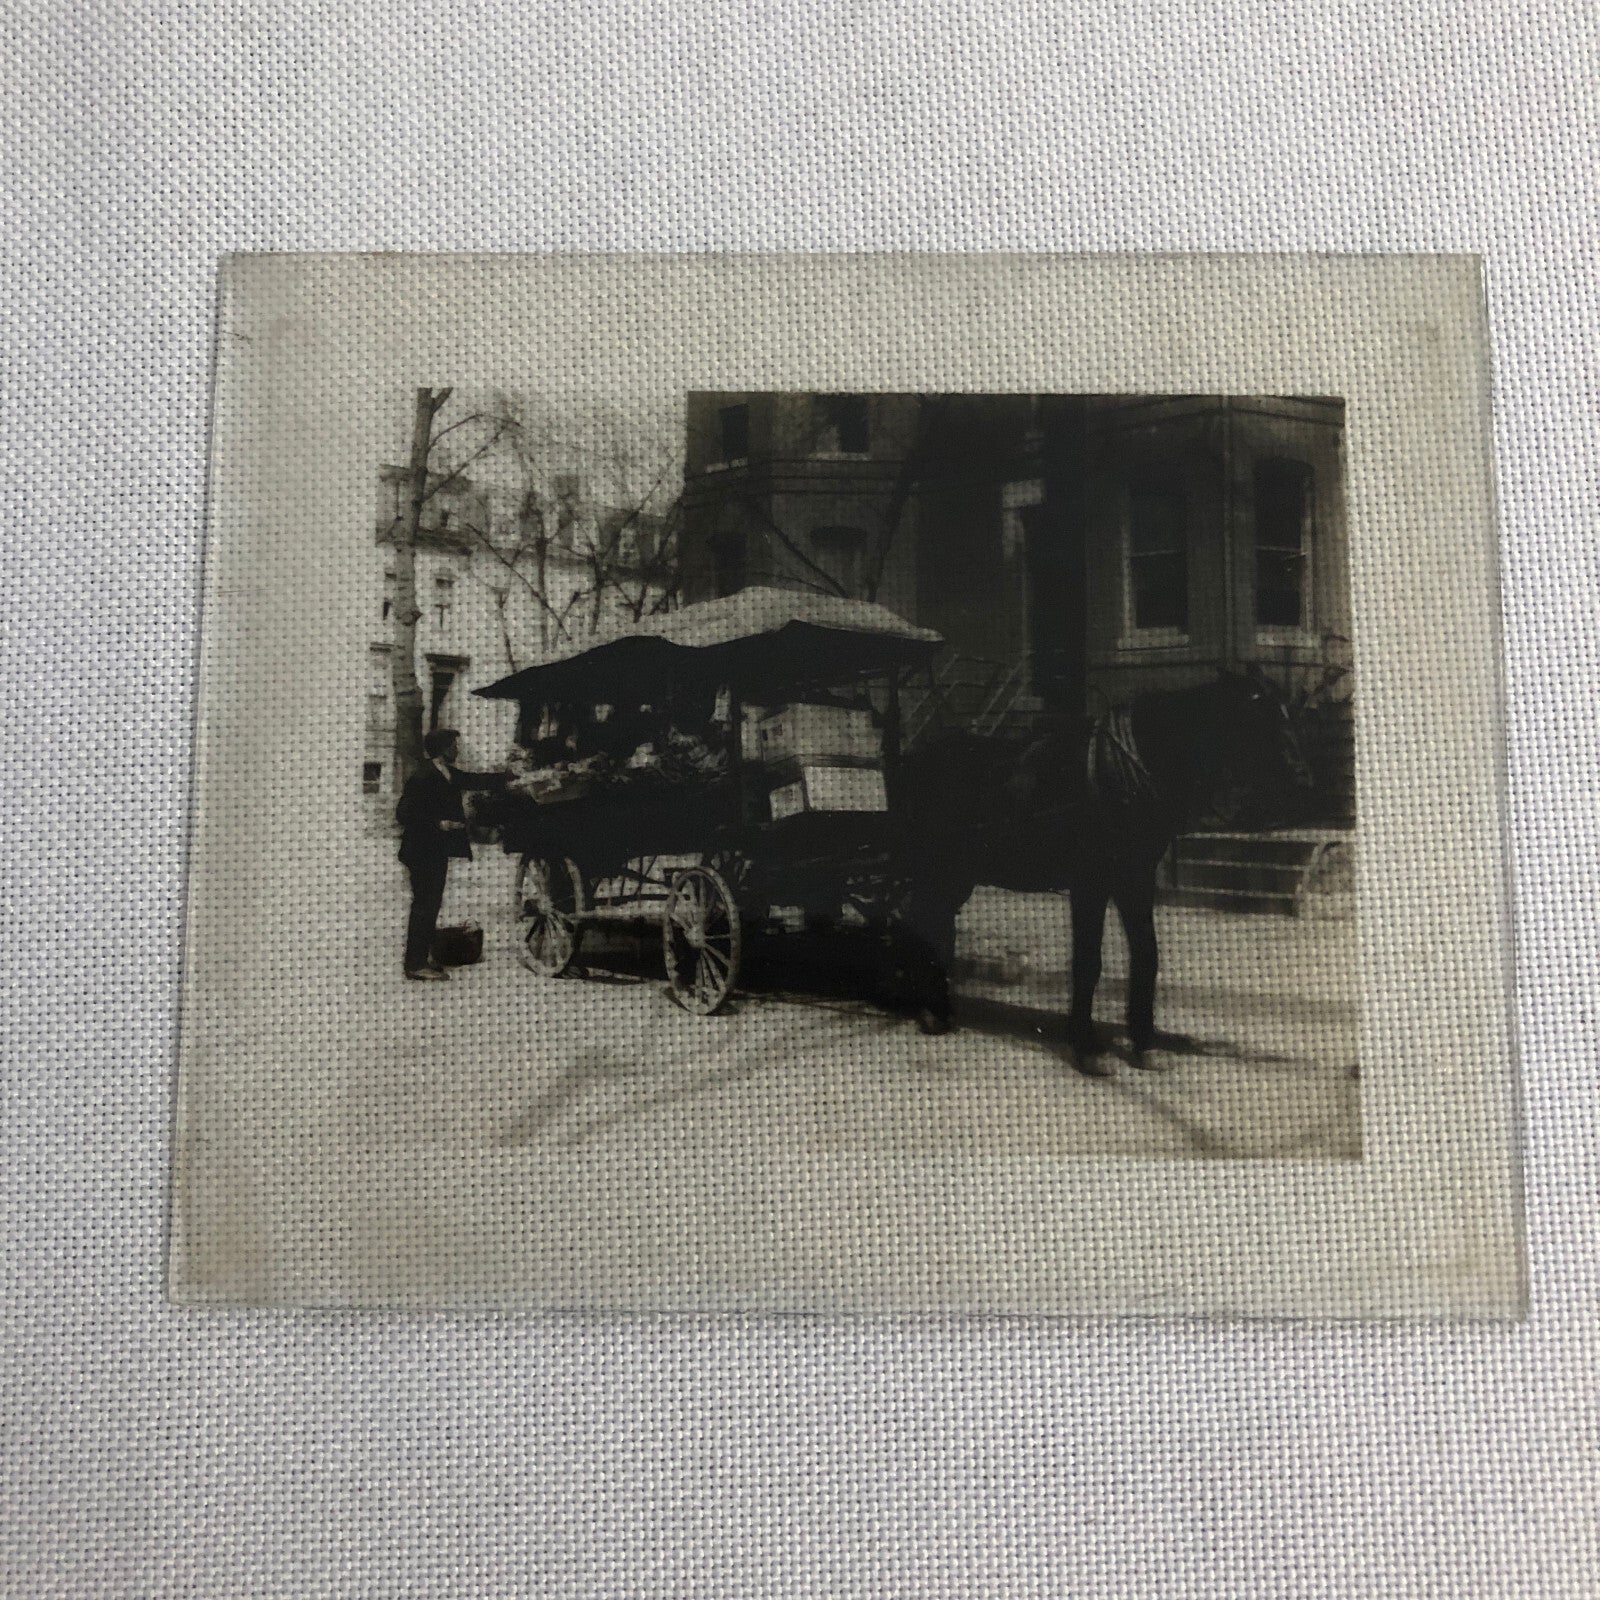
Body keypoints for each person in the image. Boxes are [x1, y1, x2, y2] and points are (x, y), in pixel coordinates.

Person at [395, 729, 503, 981]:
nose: (458, 750)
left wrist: (508, 776)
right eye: (455, 745)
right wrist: (438, 824)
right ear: (443, 749)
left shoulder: (447, 773)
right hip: (421, 850)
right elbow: (404, 814)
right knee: (424, 905)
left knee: (431, 904)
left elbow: (475, 780)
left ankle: (422, 958)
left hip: (435, 850)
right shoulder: (422, 776)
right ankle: (415, 964)